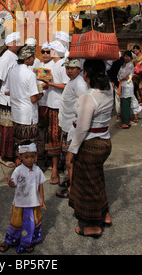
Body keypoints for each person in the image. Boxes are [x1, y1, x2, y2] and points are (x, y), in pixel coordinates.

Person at [66, 59, 113, 238]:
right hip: (104, 142)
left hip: (90, 144)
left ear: (86, 74)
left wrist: (72, 150)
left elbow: (83, 128)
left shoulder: (89, 97)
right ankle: (105, 214)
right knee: (97, 179)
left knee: (88, 184)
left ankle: (93, 225)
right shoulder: (108, 91)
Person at [0, 142, 46, 254]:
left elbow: (41, 185)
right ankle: (9, 240)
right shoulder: (18, 170)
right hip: (20, 203)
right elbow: (13, 185)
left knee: (32, 223)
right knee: (17, 223)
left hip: (33, 203)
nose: (30, 159)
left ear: (36, 156)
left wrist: (42, 199)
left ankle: (28, 241)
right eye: (26, 157)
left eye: (32, 157)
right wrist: (9, 183)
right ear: (20, 157)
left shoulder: (37, 170)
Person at [56, 58, 88, 198]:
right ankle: (71, 180)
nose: (69, 71)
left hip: (73, 127)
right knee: (68, 157)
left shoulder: (80, 84)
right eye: (67, 68)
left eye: (72, 68)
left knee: (71, 160)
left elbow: (84, 106)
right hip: (66, 124)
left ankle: (73, 188)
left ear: (79, 69)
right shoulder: (72, 82)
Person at [0, 32, 21, 168]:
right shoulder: (6, 58)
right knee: (7, 130)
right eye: (17, 41)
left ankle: (14, 153)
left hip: (15, 98)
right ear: (11, 44)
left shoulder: (14, 57)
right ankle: (5, 156)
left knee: (13, 129)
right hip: (6, 98)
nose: (19, 43)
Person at [7, 44, 42, 162]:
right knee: (29, 145)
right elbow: (33, 99)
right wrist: (41, 94)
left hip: (16, 114)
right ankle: (29, 166)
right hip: (28, 116)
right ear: (26, 59)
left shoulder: (12, 71)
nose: (34, 59)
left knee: (19, 143)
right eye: (32, 57)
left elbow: (8, 91)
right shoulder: (30, 74)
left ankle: (20, 163)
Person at [43, 40, 69, 184]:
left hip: (60, 106)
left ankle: (58, 168)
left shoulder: (63, 65)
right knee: (53, 137)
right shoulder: (52, 66)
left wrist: (50, 84)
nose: (47, 53)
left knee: (60, 137)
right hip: (52, 103)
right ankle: (55, 167)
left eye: (50, 50)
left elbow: (66, 85)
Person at [37, 42, 54, 158]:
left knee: (48, 128)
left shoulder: (53, 65)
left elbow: (46, 85)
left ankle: (47, 151)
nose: (45, 54)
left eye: (48, 52)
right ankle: (41, 149)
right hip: (40, 100)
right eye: (43, 52)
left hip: (48, 101)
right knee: (41, 127)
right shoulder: (40, 64)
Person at [117, 50, 135, 129]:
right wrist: (120, 77)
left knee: (126, 104)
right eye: (125, 56)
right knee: (123, 104)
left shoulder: (130, 65)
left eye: (128, 56)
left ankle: (126, 122)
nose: (126, 57)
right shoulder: (122, 65)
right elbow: (118, 76)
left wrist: (121, 77)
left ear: (131, 57)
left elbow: (123, 75)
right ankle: (125, 121)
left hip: (127, 86)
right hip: (122, 85)